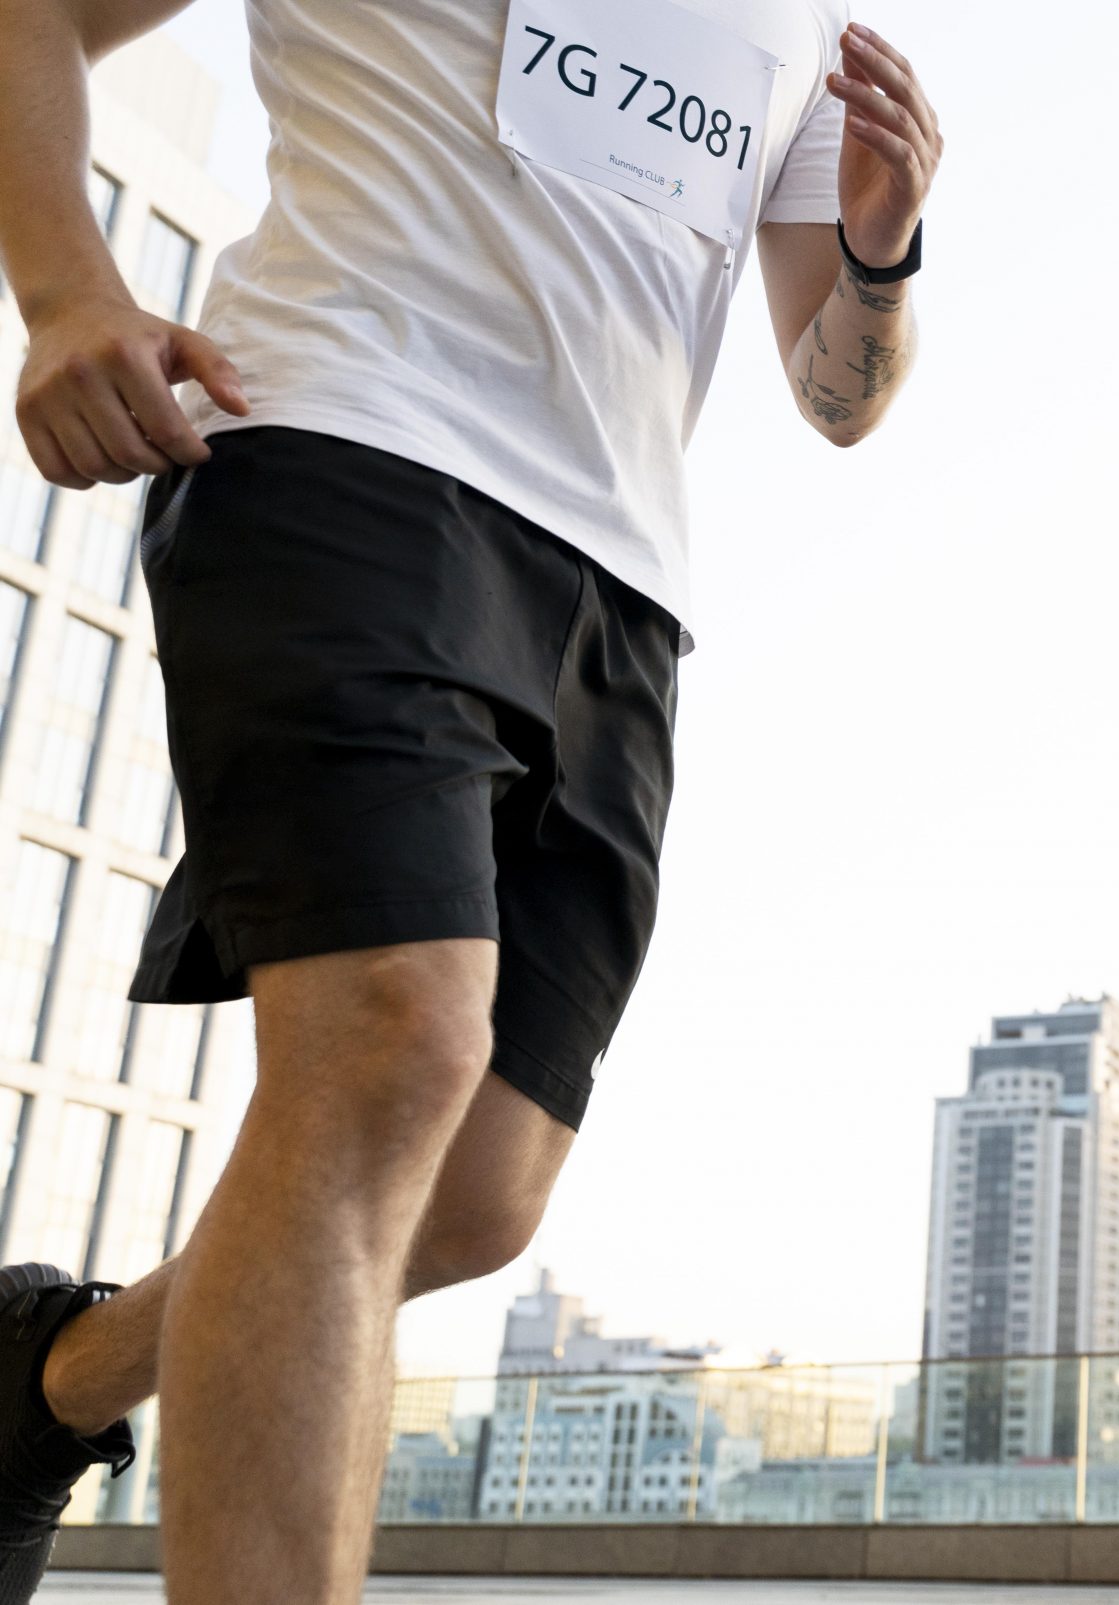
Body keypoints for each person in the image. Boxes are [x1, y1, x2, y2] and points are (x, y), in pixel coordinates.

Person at [0, 1, 940, 1598]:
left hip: (621, 587)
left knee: (479, 1191)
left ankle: (45, 1386)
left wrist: (881, 245)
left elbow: (837, 398)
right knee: (393, 1042)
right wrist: (68, 291)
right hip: (347, 441)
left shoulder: (802, 22)